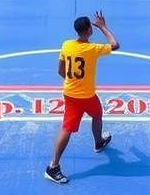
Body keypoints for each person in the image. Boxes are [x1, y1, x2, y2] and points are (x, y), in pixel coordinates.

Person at [45, 11, 119, 185]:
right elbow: (115, 45)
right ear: (89, 30)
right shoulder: (92, 49)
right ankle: (52, 167)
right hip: (83, 96)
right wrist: (103, 27)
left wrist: (74, 83)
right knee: (67, 129)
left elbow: (60, 70)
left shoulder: (66, 45)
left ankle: (99, 142)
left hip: (74, 94)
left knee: (97, 114)